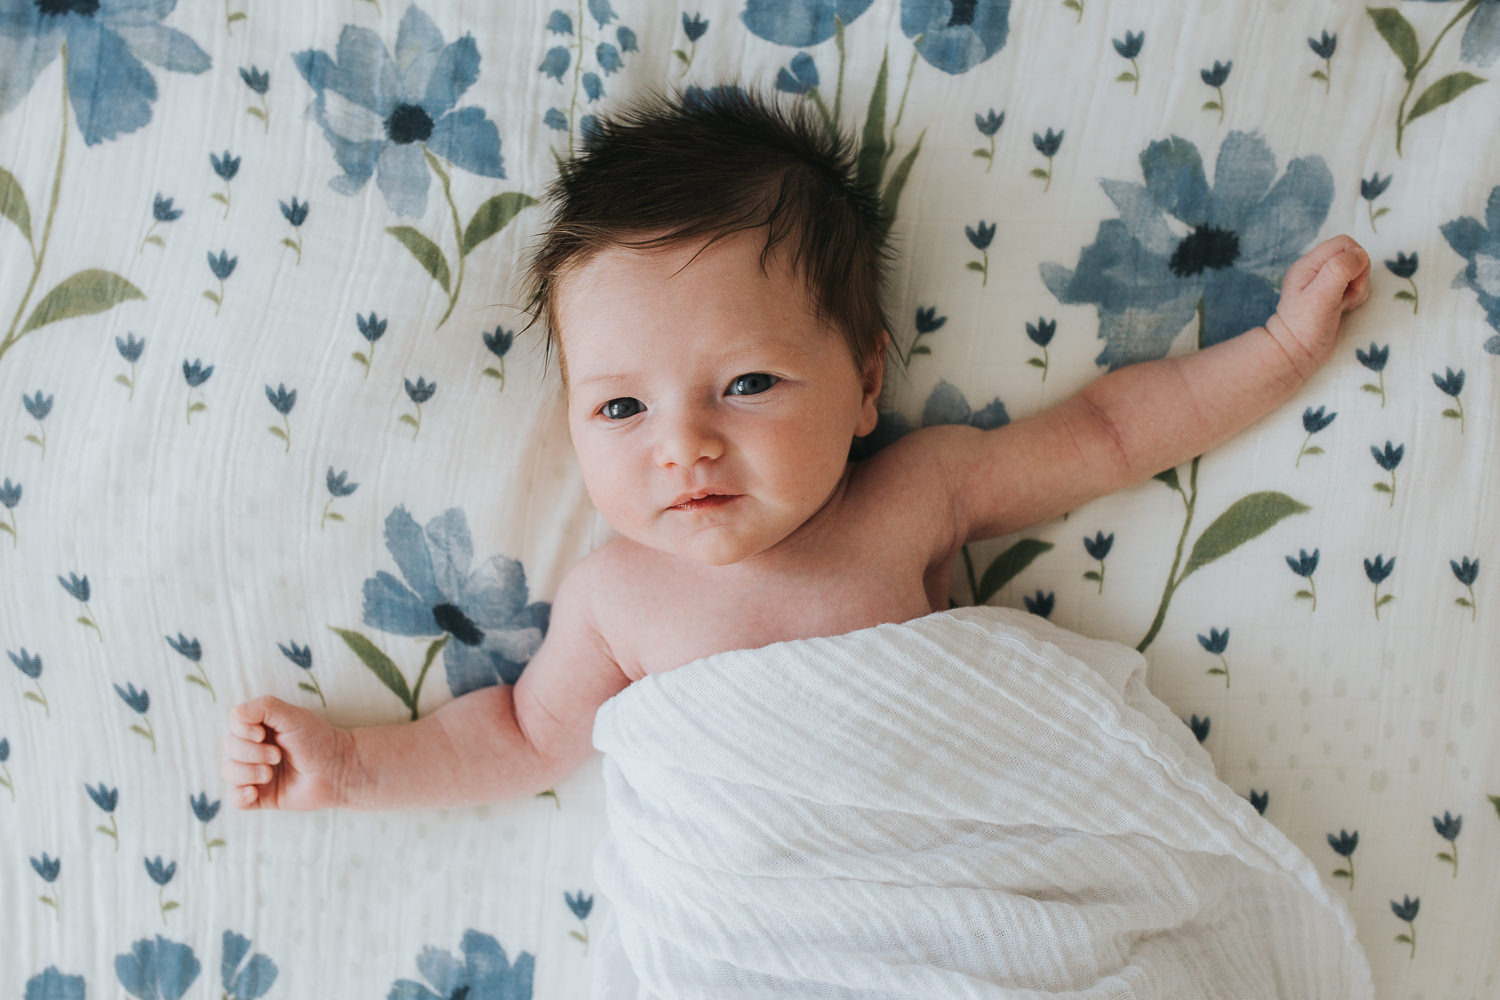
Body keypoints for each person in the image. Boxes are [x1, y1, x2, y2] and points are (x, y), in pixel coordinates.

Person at [223, 87, 1370, 816]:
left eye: (750, 384)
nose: (687, 445)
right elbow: (522, 736)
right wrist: (356, 767)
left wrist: (1275, 348)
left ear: (868, 382)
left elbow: (1110, 431)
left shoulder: (913, 493)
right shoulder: (616, 598)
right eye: (621, 410)